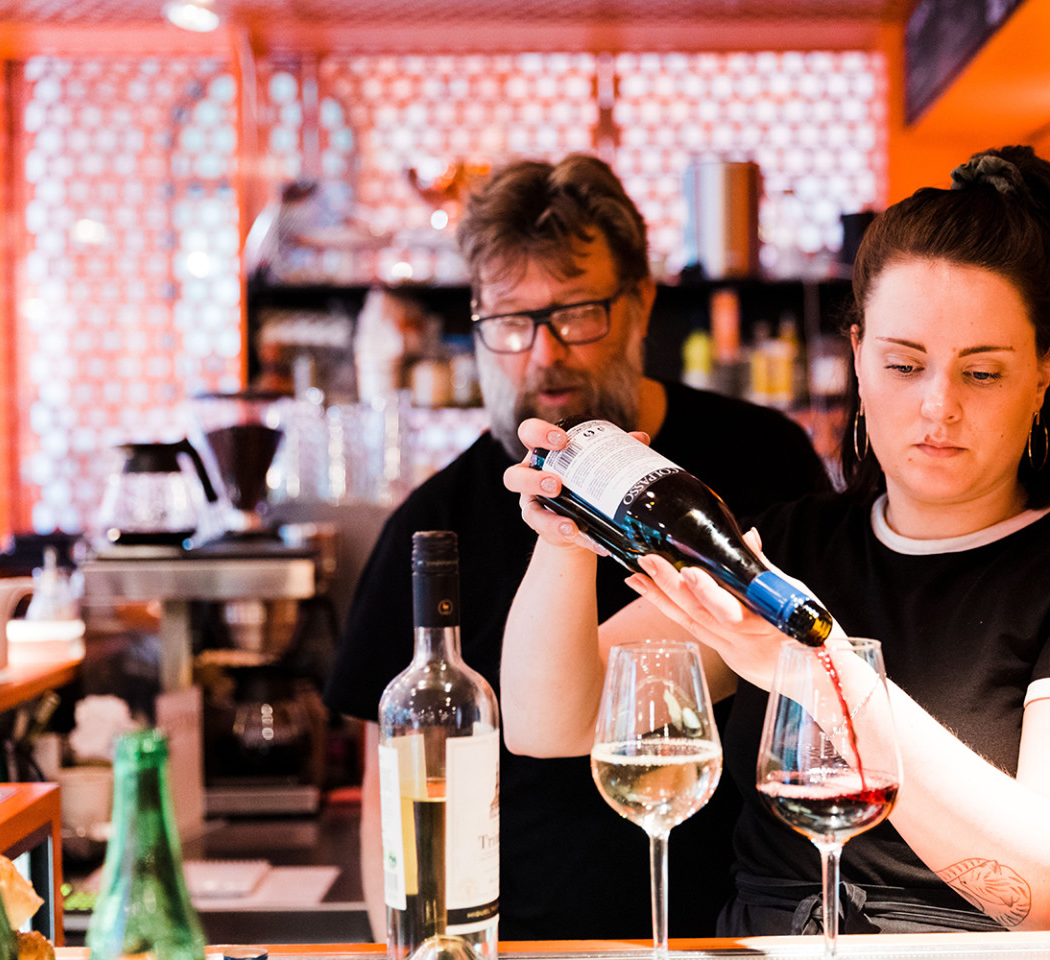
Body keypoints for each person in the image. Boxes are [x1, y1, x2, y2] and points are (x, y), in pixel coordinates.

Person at [500, 145, 1050, 935]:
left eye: (981, 374)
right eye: (905, 365)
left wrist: (820, 669)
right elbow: (548, 723)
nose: (938, 407)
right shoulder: (792, 546)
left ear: (1046, 371)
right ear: (859, 356)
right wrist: (564, 542)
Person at [322, 154, 830, 941]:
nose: (544, 351)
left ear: (640, 304)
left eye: (577, 311)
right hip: (516, 943)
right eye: (511, 320)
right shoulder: (434, 525)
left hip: (732, 936)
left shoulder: (764, 462)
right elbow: (391, 789)